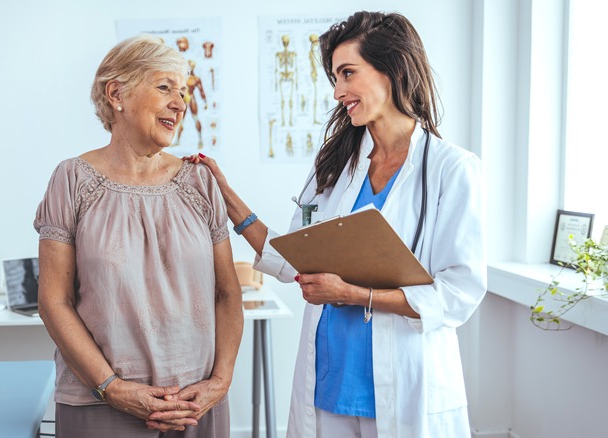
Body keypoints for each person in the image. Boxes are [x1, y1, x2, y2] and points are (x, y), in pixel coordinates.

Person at [185, 11, 486, 438]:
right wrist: (226, 195)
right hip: (329, 380)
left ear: (393, 69)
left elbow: (459, 292)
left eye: (348, 73)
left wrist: (353, 294)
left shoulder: (451, 169)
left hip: (406, 384)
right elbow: (292, 259)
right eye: (334, 77)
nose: (338, 91)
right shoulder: (336, 163)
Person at [34, 34, 244, 438]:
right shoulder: (72, 179)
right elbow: (53, 301)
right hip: (100, 403)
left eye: (182, 92)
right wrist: (112, 388)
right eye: (164, 87)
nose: (179, 103)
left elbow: (228, 293)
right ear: (117, 94)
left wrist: (220, 382)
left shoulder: (200, 181)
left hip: (195, 405)